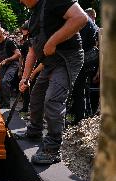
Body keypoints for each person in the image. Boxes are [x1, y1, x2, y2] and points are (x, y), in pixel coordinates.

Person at [16, 0, 88, 164]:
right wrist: (25, 78)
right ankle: (34, 131)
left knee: (53, 100)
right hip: (49, 61)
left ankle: (52, 150)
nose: (20, 0)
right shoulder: (34, 14)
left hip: (67, 58)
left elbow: (80, 18)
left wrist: (53, 41)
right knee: (36, 96)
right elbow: (32, 51)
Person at [70, 17, 99, 124]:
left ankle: (79, 118)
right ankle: (82, 116)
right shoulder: (92, 26)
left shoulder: (83, 23)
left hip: (83, 60)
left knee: (78, 91)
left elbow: (80, 44)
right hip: (90, 61)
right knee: (82, 90)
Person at [0, 27, 21, 109]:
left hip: (12, 64)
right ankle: (2, 106)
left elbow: (18, 54)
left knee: (5, 81)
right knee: (1, 84)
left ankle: (6, 106)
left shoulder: (9, 42)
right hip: (3, 64)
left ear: (3, 35)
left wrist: (7, 59)